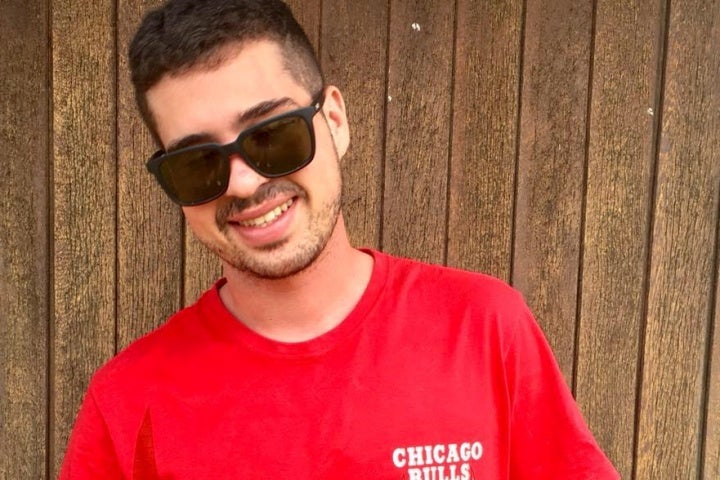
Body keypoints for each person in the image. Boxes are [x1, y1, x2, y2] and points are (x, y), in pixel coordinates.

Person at [60, 1, 619, 478]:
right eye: (197, 163)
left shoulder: (484, 327)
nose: (244, 183)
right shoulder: (127, 403)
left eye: (272, 135)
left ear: (334, 120)